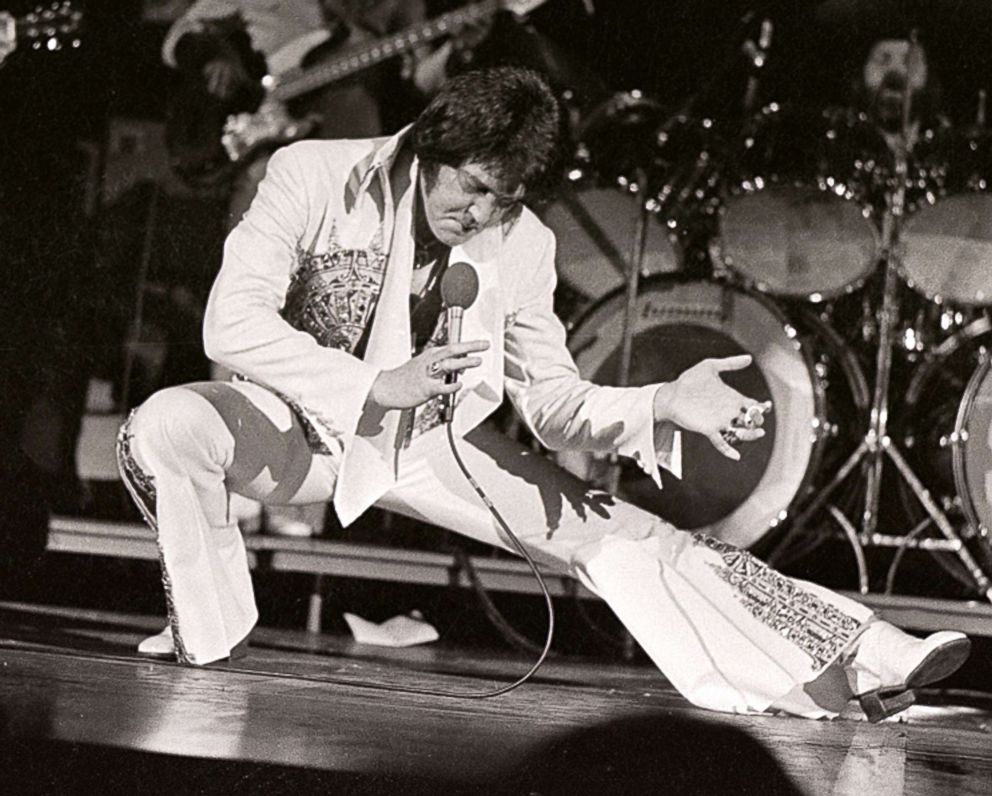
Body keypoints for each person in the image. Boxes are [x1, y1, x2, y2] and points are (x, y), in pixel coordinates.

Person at [118, 65, 970, 721]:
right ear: (430, 149)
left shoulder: (521, 242)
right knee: (165, 425)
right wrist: (374, 382)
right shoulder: (310, 175)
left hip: (430, 442)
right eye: (475, 188)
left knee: (632, 540)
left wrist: (659, 403)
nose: (484, 214)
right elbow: (230, 325)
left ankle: (866, 657)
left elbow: (552, 401)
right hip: (294, 429)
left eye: (508, 197)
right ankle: (206, 636)